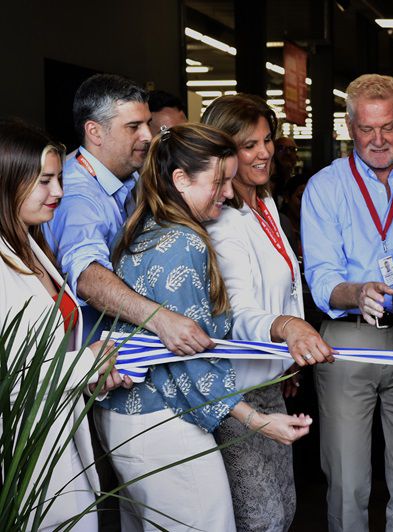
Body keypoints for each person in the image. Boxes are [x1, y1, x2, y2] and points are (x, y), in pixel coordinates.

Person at [94, 123, 312, 531]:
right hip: (163, 420)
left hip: (129, 418)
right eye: (219, 182)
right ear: (180, 179)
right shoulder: (184, 242)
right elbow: (192, 359)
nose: (229, 194)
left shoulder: (146, 228)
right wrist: (259, 420)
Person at [301, 73, 393, 532]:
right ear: (349, 127)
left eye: (388, 126)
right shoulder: (324, 187)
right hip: (348, 341)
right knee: (347, 477)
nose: (378, 139)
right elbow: (320, 277)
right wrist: (357, 292)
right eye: (366, 129)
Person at [202, 94, 334, 531]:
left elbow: (285, 285)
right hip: (235, 393)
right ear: (222, 154)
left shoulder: (264, 200)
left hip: (271, 380)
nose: (263, 153)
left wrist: (286, 359)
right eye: (248, 145)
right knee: (261, 518)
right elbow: (236, 312)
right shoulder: (220, 220)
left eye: (266, 140)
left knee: (284, 507)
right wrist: (287, 327)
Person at [0, 120, 129, 531]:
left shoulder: (32, 244)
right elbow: (10, 378)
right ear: (6, 182)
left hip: (58, 433)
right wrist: (85, 365)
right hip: (22, 447)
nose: (58, 191)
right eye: (45, 181)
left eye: (58, 179)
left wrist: (94, 371)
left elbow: (54, 346)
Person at [44, 73, 212, 355]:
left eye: (147, 123)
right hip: (88, 364)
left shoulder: (130, 177)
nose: (148, 135)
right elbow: (86, 275)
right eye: (133, 127)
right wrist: (161, 320)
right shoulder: (76, 193)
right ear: (95, 131)